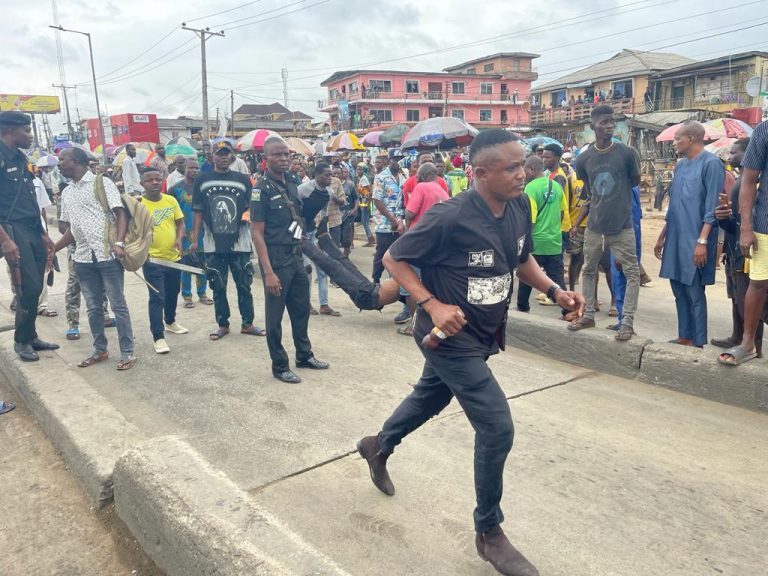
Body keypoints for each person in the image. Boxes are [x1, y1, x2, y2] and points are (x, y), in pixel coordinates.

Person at [357, 129, 584, 576]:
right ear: (479, 173)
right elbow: (395, 259)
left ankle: (377, 446)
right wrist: (432, 303)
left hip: (483, 333)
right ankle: (489, 532)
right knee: (497, 428)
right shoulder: (449, 215)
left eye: (524, 164)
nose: (524, 174)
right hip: (447, 338)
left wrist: (556, 291)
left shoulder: (520, 205)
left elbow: (520, 261)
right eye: (512, 168)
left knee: (430, 397)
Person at [250, 136, 328, 384]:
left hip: (295, 256)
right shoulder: (261, 190)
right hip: (275, 259)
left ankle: (304, 355)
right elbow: (257, 232)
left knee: (301, 310)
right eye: (277, 155)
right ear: (266, 159)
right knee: (274, 317)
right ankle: (279, 365)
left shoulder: (292, 182)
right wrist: (268, 271)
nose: (284, 158)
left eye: (287, 154)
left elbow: (295, 219)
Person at [55, 147, 136, 370]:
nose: (59, 163)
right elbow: (72, 229)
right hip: (82, 258)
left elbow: (120, 213)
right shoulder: (67, 192)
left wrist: (119, 243)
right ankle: (100, 349)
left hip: (107, 255)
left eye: (64, 159)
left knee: (118, 305)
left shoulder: (101, 183)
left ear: (78, 162)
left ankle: (127, 352)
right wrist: (54, 248)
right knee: (92, 308)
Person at [568, 105, 641, 341]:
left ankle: (627, 322)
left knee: (631, 273)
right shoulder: (583, 159)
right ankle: (588, 314)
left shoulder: (627, 153)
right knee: (588, 270)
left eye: (612, 122)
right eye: (604, 122)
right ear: (593, 126)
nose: (609, 126)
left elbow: (633, 182)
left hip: (623, 227)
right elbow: (590, 192)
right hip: (594, 227)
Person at [655, 121, 723, 349]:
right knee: (677, 286)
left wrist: (702, 242)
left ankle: (698, 340)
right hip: (675, 235)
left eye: (677, 139)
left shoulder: (712, 164)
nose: (674, 143)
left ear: (691, 139)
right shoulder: (681, 166)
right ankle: (684, 334)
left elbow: (712, 208)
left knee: (694, 289)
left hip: (696, 238)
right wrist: (662, 235)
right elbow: (674, 204)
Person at [191, 140, 265, 341]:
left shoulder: (243, 179)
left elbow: (253, 206)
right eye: (219, 153)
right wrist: (195, 239)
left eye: (227, 154)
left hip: (240, 242)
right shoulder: (202, 180)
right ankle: (222, 324)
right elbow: (197, 211)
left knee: (244, 284)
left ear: (233, 156)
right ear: (212, 156)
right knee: (218, 285)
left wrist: (247, 215)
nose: (223, 157)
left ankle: (247, 323)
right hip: (213, 243)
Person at [0, 111, 58, 361]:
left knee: (36, 286)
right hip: (12, 230)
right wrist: (5, 240)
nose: (30, 136)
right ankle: (21, 341)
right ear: (10, 131)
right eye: (26, 131)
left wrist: (43, 232)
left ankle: (31, 335)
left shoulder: (20, 158)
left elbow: (29, 198)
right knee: (28, 287)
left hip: (32, 228)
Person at [712, 138, 768, 359]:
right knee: (738, 295)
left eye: (734, 152)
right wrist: (724, 218)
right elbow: (739, 221)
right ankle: (740, 338)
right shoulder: (742, 181)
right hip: (737, 247)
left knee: (752, 295)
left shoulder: (754, 184)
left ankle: (754, 343)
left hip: (747, 248)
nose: (729, 157)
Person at [139, 167, 187, 354]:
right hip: (152, 260)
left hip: (173, 258)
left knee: (173, 292)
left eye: (158, 179)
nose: (154, 183)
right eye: (149, 180)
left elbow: (180, 223)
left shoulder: (171, 200)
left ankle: (170, 322)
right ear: (142, 183)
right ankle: (158, 337)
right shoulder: (138, 205)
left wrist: (179, 238)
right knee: (157, 297)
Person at [516, 155, 567, 313]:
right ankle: (569, 309)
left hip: (536, 241)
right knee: (557, 279)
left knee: (527, 276)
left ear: (531, 169)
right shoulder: (556, 185)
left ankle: (523, 308)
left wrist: (525, 240)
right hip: (554, 241)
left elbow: (529, 218)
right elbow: (562, 213)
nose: (523, 174)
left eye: (524, 169)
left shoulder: (530, 188)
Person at [297, 163, 341, 317]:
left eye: (331, 175)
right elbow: (294, 210)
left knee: (322, 269)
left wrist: (322, 233)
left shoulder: (328, 192)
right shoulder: (303, 189)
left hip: (314, 231)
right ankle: (306, 303)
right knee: (306, 269)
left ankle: (324, 304)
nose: (330, 178)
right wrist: (298, 230)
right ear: (316, 175)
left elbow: (323, 213)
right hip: (299, 233)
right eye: (326, 175)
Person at [169, 158, 213, 308]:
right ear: (184, 169)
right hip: (184, 233)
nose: (194, 171)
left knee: (203, 264)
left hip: (201, 232)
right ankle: (187, 296)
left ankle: (202, 293)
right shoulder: (175, 189)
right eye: (191, 168)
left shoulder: (203, 189)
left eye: (196, 168)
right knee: (185, 265)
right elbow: (169, 211)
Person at [371, 149, 406, 286]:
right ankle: (376, 280)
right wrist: (391, 219)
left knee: (396, 253)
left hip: (399, 222)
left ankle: (394, 280)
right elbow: (377, 200)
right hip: (385, 223)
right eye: (395, 159)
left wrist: (399, 220)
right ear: (389, 161)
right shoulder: (381, 177)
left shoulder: (403, 177)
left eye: (400, 159)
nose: (398, 162)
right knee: (381, 252)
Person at [339, 165, 359, 257]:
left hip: (348, 214)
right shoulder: (333, 184)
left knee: (346, 237)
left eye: (344, 172)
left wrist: (355, 209)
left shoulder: (350, 184)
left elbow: (356, 198)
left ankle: (346, 256)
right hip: (336, 215)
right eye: (341, 172)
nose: (342, 174)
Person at [356, 163, 375, 246]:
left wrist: (368, 203)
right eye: (357, 169)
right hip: (362, 202)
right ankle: (370, 238)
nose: (358, 171)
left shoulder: (364, 179)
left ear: (364, 171)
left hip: (365, 203)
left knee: (365, 222)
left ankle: (370, 239)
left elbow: (369, 191)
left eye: (360, 169)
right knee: (364, 222)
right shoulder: (360, 179)